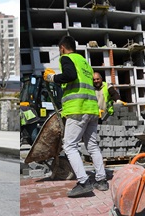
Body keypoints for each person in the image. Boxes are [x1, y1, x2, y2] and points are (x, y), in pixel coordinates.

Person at [43, 35, 107, 197]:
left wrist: (52, 78)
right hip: (92, 109)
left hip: (77, 109)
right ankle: (101, 180)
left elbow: (70, 76)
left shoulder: (67, 58)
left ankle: (84, 182)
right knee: (92, 146)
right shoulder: (85, 63)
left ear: (62, 48)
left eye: (60, 50)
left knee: (70, 146)